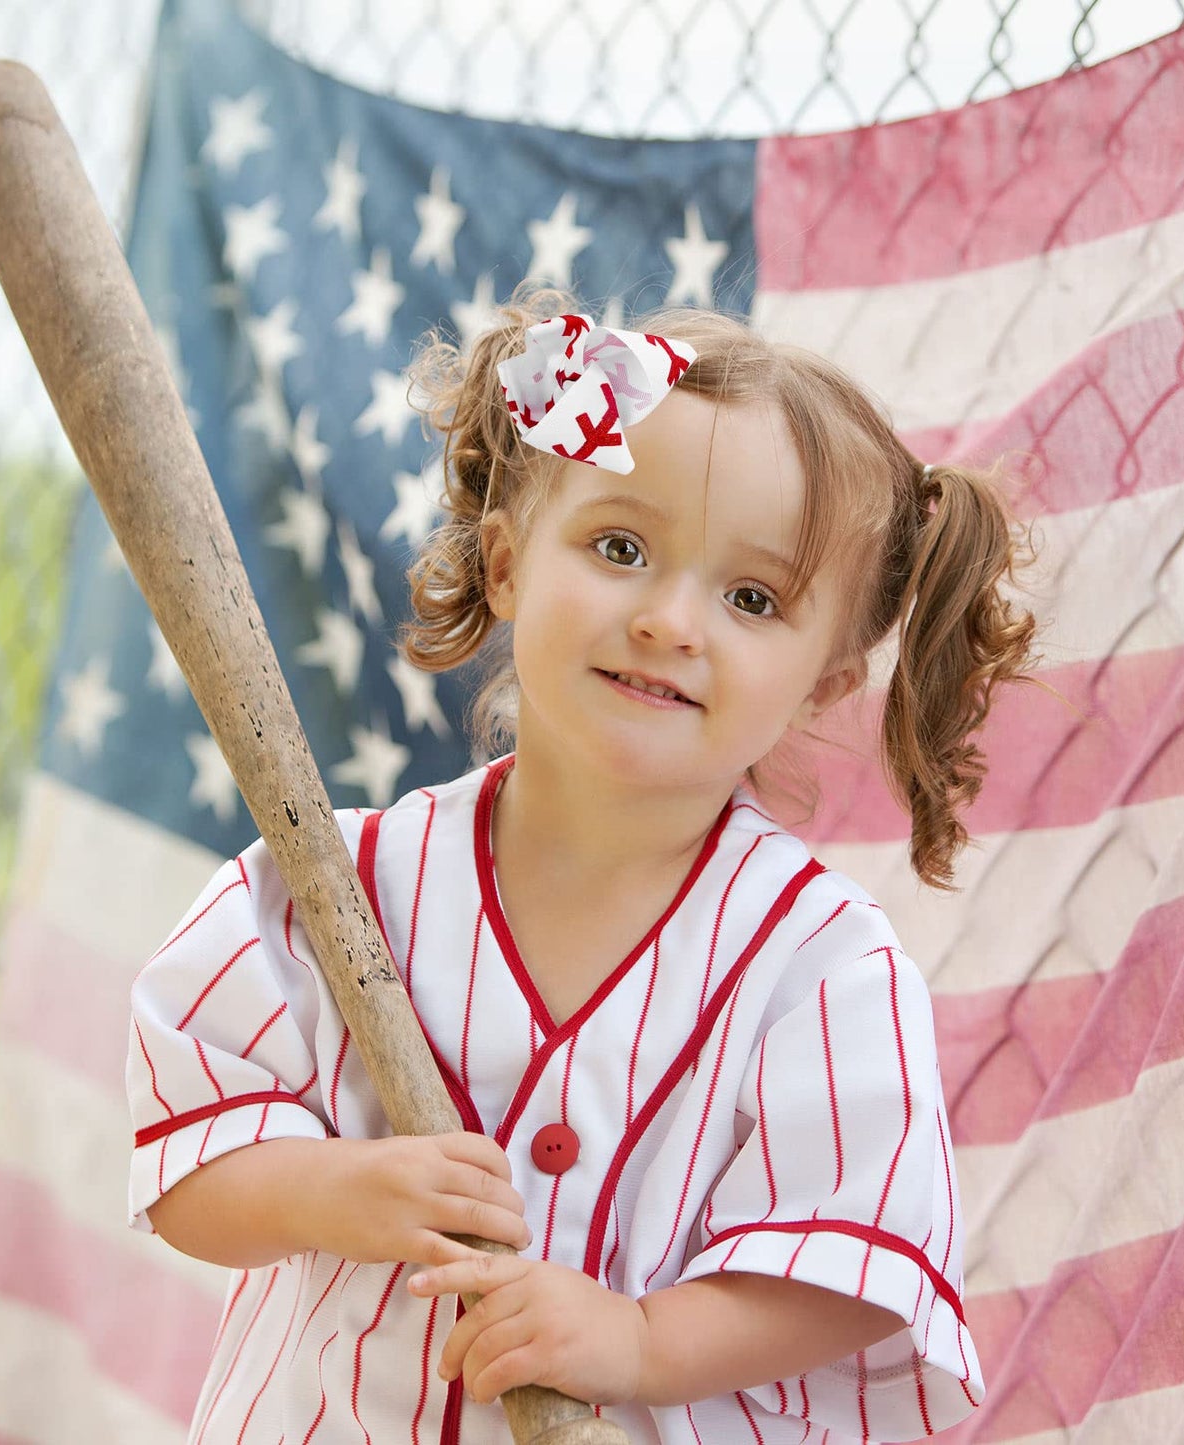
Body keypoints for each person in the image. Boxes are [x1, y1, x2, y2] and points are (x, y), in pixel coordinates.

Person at [126, 290, 1037, 1444]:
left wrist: (638, 1339)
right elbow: (187, 1161)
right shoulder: (334, 879)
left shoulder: (822, 962)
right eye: (619, 546)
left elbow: (845, 1267)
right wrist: (331, 1189)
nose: (668, 619)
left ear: (822, 682)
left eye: (750, 598)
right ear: (506, 564)